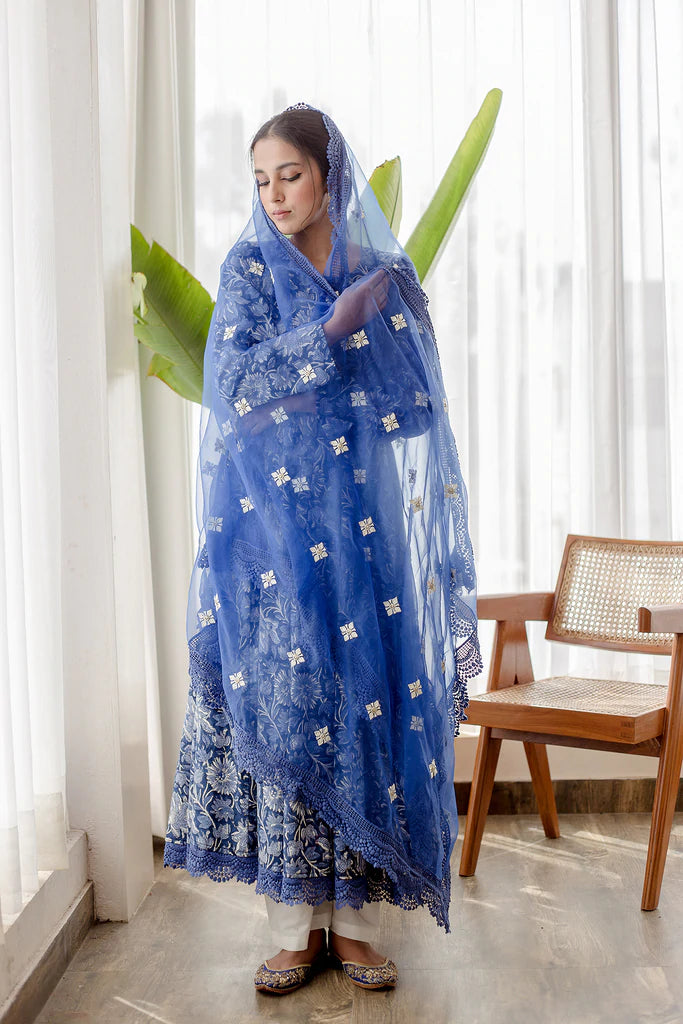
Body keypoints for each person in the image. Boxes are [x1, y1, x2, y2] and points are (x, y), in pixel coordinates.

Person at [163, 101, 483, 996]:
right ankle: (292, 930)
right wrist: (335, 336)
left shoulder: (380, 273)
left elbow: (416, 409)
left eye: (290, 175)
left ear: (328, 174)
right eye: (260, 180)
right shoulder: (247, 270)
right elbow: (232, 390)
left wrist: (325, 378)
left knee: (361, 716)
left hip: (362, 535)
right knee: (288, 709)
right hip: (267, 537)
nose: (273, 196)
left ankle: (357, 928)